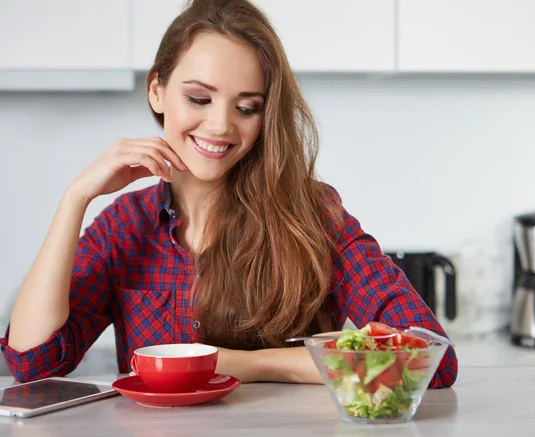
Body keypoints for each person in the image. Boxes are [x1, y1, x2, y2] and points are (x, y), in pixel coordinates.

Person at [1, 0, 458, 387]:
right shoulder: (125, 225)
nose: (221, 125)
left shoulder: (310, 213)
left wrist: (241, 364)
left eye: (246, 108)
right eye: (199, 99)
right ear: (157, 91)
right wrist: (75, 198)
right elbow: (32, 363)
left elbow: (429, 361)